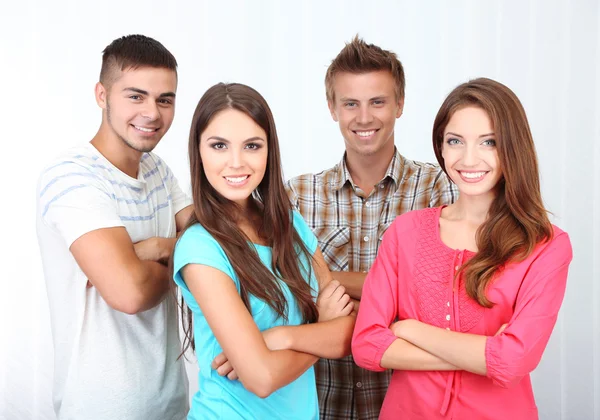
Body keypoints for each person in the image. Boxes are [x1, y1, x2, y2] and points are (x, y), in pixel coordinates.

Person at [352, 77, 573, 420]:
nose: (469, 159)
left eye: (489, 142)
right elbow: (366, 345)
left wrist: (410, 330)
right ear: (440, 146)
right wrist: (483, 355)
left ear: (512, 147)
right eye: (455, 141)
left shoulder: (546, 245)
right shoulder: (406, 232)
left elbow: (514, 361)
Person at [286, 36, 457, 419]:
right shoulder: (295, 196)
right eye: (351, 103)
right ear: (332, 108)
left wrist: (326, 280)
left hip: (412, 406)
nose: (364, 118)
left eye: (377, 102)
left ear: (400, 104)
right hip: (319, 404)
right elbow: (285, 294)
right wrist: (392, 298)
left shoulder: (436, 190)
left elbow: (442, 302)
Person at [172, 82, 356, 420]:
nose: (236, 162)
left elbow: (347, 332)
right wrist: (320, 330)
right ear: (198, 151)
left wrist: (278, 338)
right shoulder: (200, 248)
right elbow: (262, 377)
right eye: (219, 146)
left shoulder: (291, 224)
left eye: (252, 146)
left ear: (269, 150)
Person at [36, 35, 191, 420]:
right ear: (102, 95)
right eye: (135, 96)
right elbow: (131, 292)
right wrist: (180, 252)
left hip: (172, 404)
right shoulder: (72, 177)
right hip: (101, 408)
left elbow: (215, 241)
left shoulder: (158, 171)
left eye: (164, 99)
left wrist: (155, 248)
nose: (152, 113)